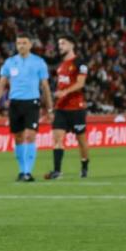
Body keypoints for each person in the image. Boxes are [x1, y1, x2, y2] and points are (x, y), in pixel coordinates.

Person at [0, 33, 52, 182]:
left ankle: (27, 172)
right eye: (19, 43)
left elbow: (45, 86)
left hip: (32, 102)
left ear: (30, 44)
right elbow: (1, 84)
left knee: (30, 135)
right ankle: (22, 171)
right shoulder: (10, 62)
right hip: (15, 103)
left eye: (24, 43)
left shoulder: (39, 62)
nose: (21, 46)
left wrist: (49, 107)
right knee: (18, 137)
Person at [45, 35, 91, 179]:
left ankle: (84, 166)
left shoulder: (80, 63)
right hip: (61, 108)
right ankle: (57, 171)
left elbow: (80, 83)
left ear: (72, 45)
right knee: (57, 139)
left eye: (63, 43)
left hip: (76, 108)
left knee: (81, 140)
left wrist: (65, 92)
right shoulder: (60, 65)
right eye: (59, 44)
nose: (60, 46)